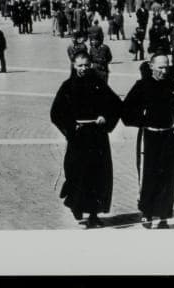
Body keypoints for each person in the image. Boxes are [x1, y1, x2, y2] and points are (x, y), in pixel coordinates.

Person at [121, 53, 174, 229]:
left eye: (166, 67)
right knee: (148, 175)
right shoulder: (142, 86)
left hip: (169, 138)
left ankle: (163, 216)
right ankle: (146, 214)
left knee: (168, 177)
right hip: (149, 137)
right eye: (160, 67)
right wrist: (142, 121)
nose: (164, 71)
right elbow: (126, 111)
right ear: (151, 66)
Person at [50, 52, 123, 226]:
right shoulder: (67, 86)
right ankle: (77, 206)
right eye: (80, 65)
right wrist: (70, 126)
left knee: (98, 176)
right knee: (77, 174)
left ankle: (93, 214)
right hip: (78, 138)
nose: (83, 68)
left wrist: (105, 117)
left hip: (97, 138)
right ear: (74, 66)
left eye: (86, 65)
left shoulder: (99, 84)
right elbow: (56, 113)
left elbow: (116, 105)